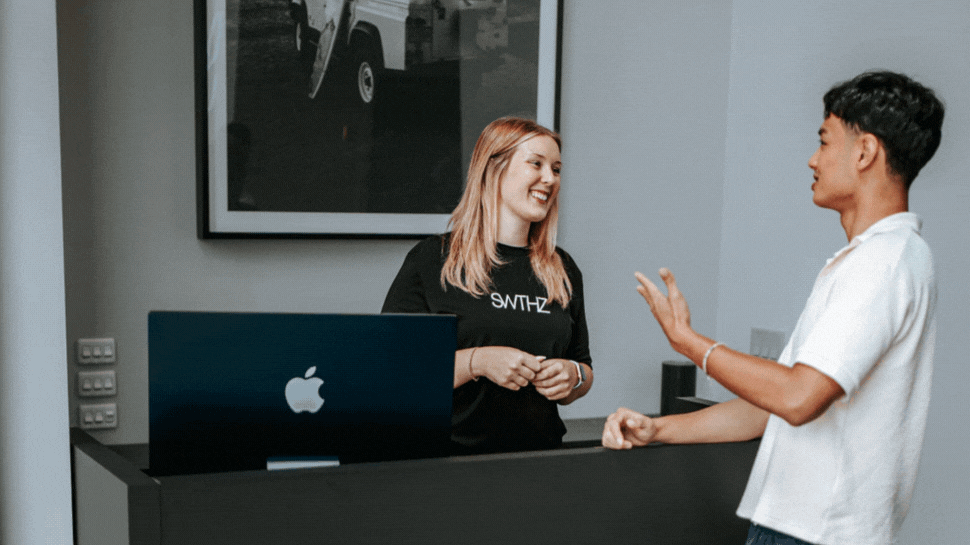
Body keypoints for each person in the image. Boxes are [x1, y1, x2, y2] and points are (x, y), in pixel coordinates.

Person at [602, 71, 944, 545]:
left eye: (824, 141)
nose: (813, 159)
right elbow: (771, 407)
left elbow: (797, 399)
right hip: (798, 529)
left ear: (864, 152)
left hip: (817, 535)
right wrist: (658, 429)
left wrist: (690, 343)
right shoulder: (875, 259)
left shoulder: (883, 262)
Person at [382, 116, 593, 455]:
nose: (550, 178)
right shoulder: (433, 259)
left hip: (540, 460)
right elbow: (394, 369)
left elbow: (582, 366)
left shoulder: (563, 268)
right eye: (536, 164)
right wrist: (477, 362)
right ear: (494, 168)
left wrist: (574, 376)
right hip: (445, 461)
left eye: (556, 169)